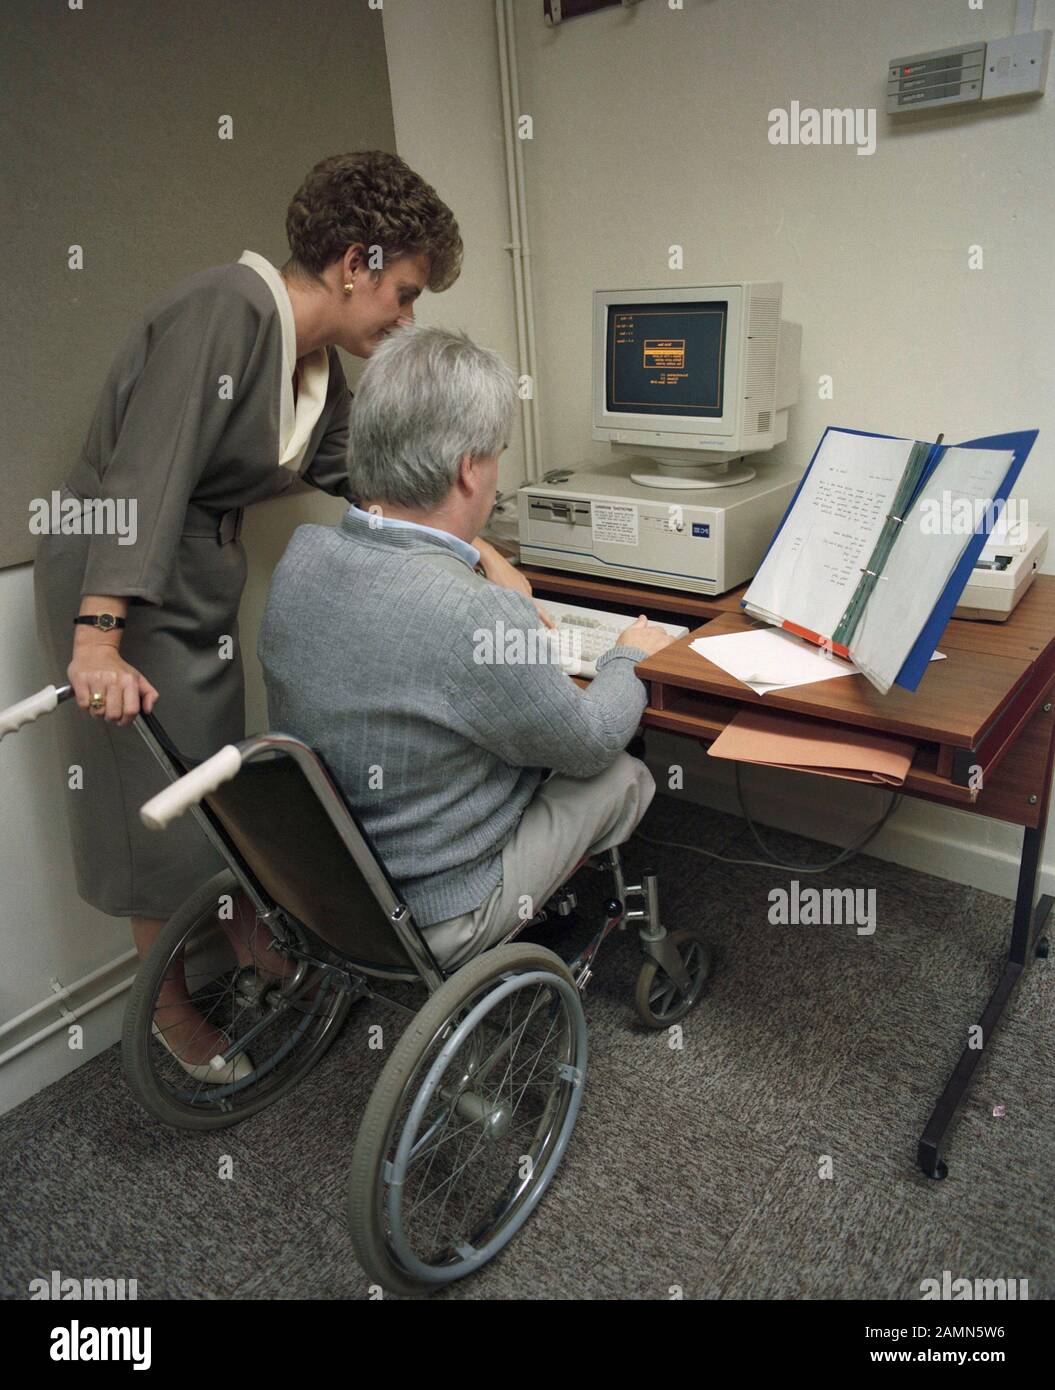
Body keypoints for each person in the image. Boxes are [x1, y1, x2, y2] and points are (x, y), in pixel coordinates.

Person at [33, 152, 528, 1070]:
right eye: (405, 292)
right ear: (355, 264)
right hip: (117, 579)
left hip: (191, 586)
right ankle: (171, 1016)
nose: (408, 317)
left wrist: (484, 553)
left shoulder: (311, 366)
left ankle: (260, 944)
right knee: (157, 805)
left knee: (219, 789)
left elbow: (376, 484)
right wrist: (97, 637)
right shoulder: (225, 309)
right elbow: (143, 475)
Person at [259, 326, 676, 970]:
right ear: (468, 468)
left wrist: (487, 575)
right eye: (498, 454)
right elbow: (591, 741)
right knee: (622, 773)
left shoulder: (302, 558)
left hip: (330, 890)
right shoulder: (472, 614)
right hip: (439, 912)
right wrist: (629, 653)